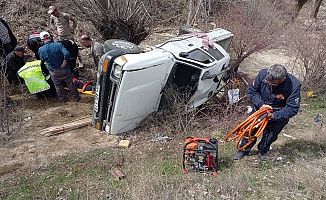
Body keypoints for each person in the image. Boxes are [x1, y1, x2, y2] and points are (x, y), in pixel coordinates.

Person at [233, 64, 301, 161]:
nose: (269, 84)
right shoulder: (262, 74)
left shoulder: (293, 85)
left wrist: (274, 116)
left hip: (278, 112)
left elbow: (292, 108)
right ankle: (244, 149)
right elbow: (252, 92)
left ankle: (263, 151)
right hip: (260, 109)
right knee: (249, 129)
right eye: (268, 82)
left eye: (273, 84)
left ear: (283, 79)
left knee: (271, 134)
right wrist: (261, 105)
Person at [38, 31, 80, 103]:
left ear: (42, 40)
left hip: (54, 71)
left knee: (58, 86)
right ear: (50, 37)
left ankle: (62, 100)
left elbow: (42, 59)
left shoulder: (41, 49)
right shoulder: (58, 45)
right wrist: (65, 61)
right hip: (64, 69)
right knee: (70, 84)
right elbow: (66, 54)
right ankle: (76, 97)